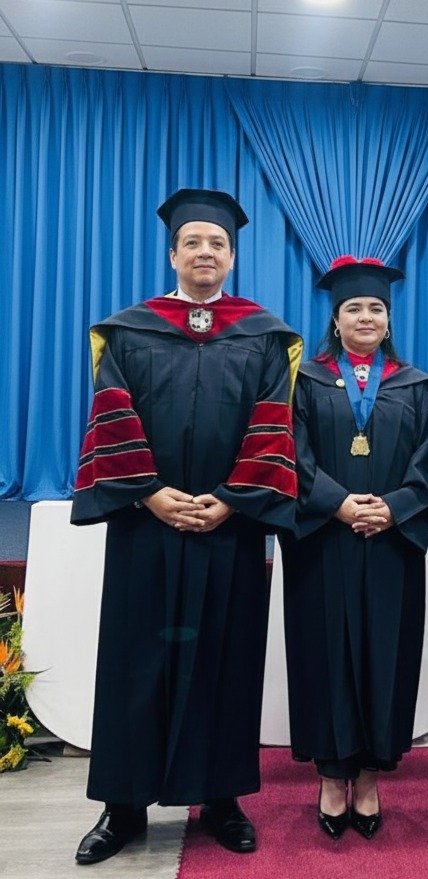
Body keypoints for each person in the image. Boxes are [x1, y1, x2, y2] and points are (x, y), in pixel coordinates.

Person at [70, 188, 302, 864]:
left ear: (232, 256)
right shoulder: (130, 330)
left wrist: (233, 498)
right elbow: (112, 413)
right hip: (148, 525)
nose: (206, 251)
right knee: (136, 662)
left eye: (218, 243)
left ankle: (222, 797)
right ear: (173, 253)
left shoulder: (263, 334)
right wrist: (149, 493)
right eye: (193, 241)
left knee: (225, 661)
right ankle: (122, 806)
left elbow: (272, 424)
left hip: (229, 527)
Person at [281, 256, 428, 841]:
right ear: (336, 318)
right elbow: (291, 453)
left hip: (391, 544)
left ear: (388, 320)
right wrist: (338, 503)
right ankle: (330, 775)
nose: (365, 317)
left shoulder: (418, 387)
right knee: (324, 654)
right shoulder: (307, 380)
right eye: (354, 309)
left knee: (384, 654)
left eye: (375, 308)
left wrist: (394, 507)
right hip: (325, 541)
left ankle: (369, 777)